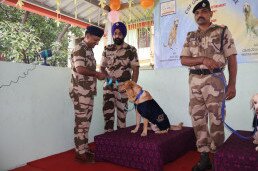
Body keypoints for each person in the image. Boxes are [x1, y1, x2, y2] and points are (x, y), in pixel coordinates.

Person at [180, 0, 237, 171]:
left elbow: (232, 59)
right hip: (195, 82)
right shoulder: (191, 35)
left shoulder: (222, 31)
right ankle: (204, 157)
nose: (200, 15)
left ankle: (218, 156)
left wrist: (232, 84)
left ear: (211, 14)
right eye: (197, 13)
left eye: (204, 12)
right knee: (198, 120)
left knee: (217, 120)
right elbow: (183, 60)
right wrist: (202, 59)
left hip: (215, 81)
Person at [69, 25, 106, 162]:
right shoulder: (80, 48)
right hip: (80, 91)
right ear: (88, 35)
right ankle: (80, 152)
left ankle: (84, 148)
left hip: (87, 91)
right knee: (81, 122)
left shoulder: (89, 50)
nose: (97, 43)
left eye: (98, 41)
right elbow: (79, 68)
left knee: (86, 122)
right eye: (95, 40)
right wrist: (96, 74)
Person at [100, 22, 140, 132]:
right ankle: (108, 138)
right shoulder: (107, 49)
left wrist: (132, 86)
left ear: (124, 35)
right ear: (112, 35)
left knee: (122, 115)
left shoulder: (131, 50)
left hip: (124, 86)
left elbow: (135, 69)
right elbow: (102, 68)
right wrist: (107, 77)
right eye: (115, 33)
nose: (117, 36)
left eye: (120, 33)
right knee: (108, 114)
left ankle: (120, 140)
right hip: (108, 85)